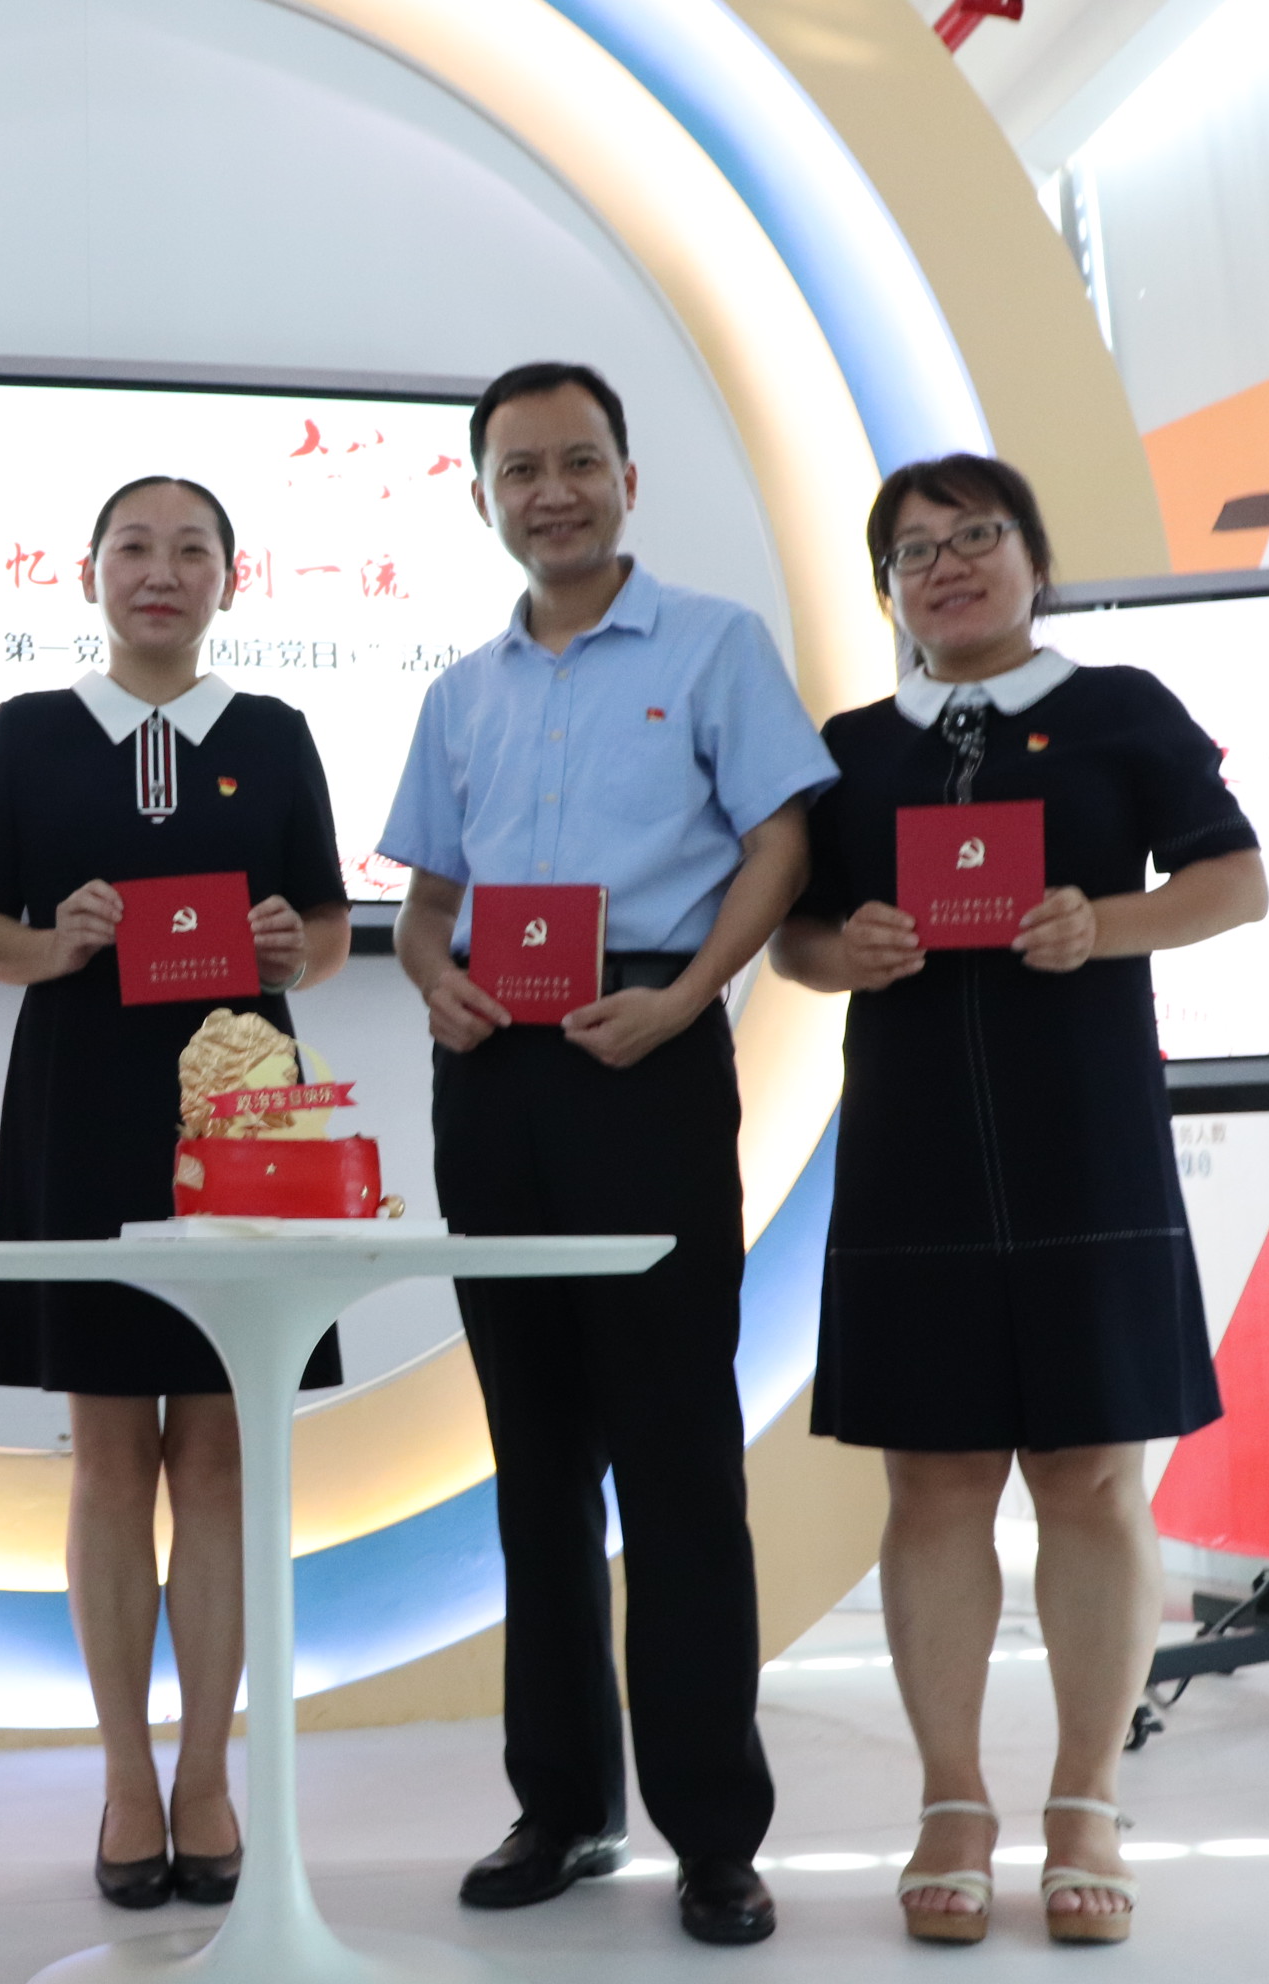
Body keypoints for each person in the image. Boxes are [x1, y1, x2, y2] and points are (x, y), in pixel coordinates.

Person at [771, 454, 1267, 1948]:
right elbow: (793, 938)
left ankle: (1085, 1800)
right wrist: (843, 952)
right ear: (888, 594)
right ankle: (950, 1800)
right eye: (914, 552)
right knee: (930, 1482)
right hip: (914, 1150)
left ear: (1033, 558)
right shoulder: (852, 751)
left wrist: (1099, 923)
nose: (947, 567)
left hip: (1086, 1142)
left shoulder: (1120, 709)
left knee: (1092, 1477)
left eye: (975, 536)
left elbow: (1233, 883)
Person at [380, 361, 834, 1947]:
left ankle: (714, 1833)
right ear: (484, 497)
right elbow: (427, 901)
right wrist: (432, 981)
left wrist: (689, 998)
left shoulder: (713, 645)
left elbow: (784, 840)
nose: (552, 493)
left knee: (679, 1457)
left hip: (644, 1053)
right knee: (532, 1457)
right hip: (492, 1079)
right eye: (521, 470)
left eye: (578, 462)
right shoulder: (462, 693)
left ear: (628, 479)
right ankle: (562, 1805)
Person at [0, 476, 352, 1910]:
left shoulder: (275, 734)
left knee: (223, 1455)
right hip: (83, 1110)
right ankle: (127, 1776)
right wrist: (52, 944)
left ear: (232, 579)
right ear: (89, 575)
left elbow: (328, 927)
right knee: (110, 1454)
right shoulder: (30, 731)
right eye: (135, 547)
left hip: (243, 1111)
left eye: (192, 550)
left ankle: (207, 1775)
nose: (161, 571)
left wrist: (296, 944)